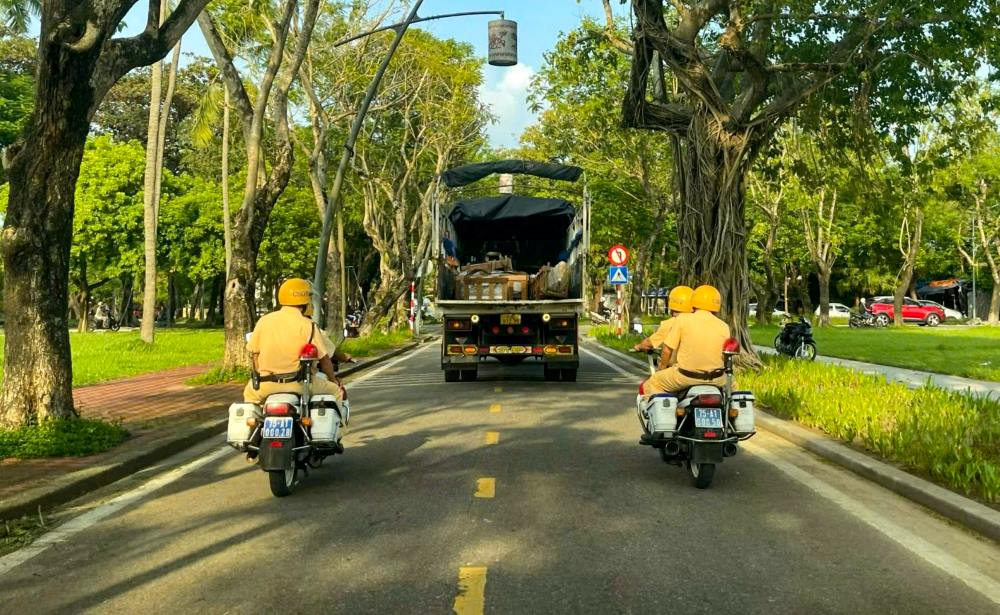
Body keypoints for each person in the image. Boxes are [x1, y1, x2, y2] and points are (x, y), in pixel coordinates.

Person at [243, 278, 346, 405]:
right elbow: (324, 360)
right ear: (305, 300)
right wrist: (333, 380)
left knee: (249, 401)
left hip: (265, 385)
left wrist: (260, 378)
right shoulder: (308, 325)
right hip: (299, 384)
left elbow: (255, 356)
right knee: (336, 392)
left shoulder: (264, 321)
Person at [641, 284, 731, 394]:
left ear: (694, 301)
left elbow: (666, 350)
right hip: (717, 379)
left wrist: (662, 369)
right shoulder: (724, 326)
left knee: (652, 382)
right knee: (734, 389)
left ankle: (664, 409)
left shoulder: (682, 319)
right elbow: (726, 357)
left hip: (685, 377)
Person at [631, 285, 694, 368]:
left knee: (653, 380)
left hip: (681, 372)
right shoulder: (704, 321)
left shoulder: (672, 323)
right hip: (710, 371)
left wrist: (639, 346)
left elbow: (650, 344)